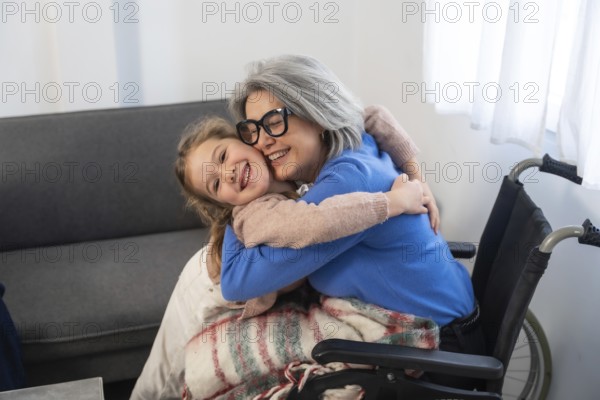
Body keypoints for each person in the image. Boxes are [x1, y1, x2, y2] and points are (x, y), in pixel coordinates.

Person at [130, 105, 434, 399]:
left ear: (243, 138)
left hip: (248, 276)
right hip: (207, 284)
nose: (229, 173)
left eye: (223, 156)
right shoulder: (258, 213)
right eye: (216, 183)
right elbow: (316, 223)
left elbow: (371, 115)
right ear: (224, 203)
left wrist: (417, 177)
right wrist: (394, 202)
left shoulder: (281, 154)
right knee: (164, 380)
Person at [221, 55, 484, 371]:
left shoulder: (347, 183)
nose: (262, 141)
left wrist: (230, 205)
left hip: (440, 353)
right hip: (452, 322)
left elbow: (238, 281)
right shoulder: (359, 142)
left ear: (316, 116)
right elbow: (372, 114)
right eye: (252, 130)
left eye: (274, 122)